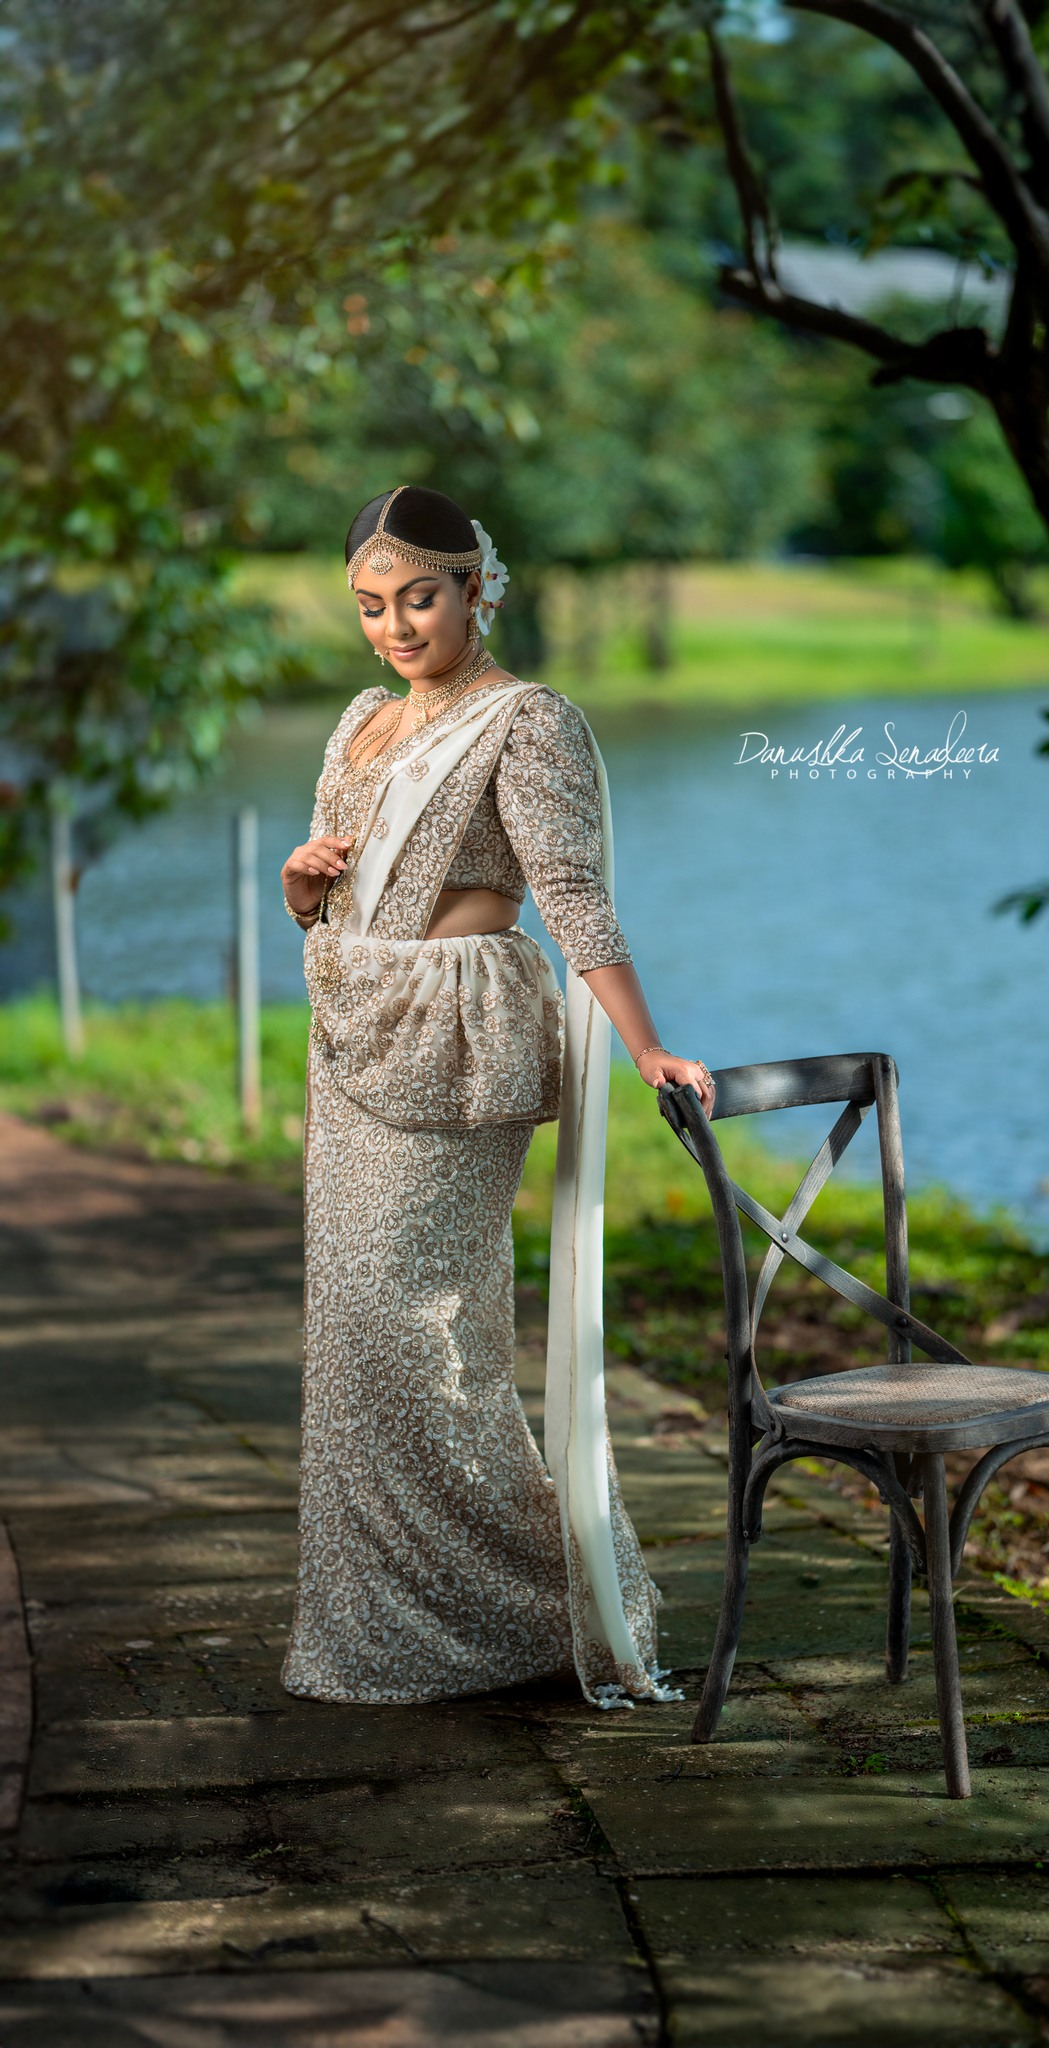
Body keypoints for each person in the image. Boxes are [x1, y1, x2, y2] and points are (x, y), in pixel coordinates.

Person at [278, 484, 715, 1711]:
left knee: (423, 1329)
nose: (395, 627)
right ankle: (384, 1630)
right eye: (371, 606)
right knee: (353, 1337)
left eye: (419, 597)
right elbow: (336, 889)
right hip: (352, 1029)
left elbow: (571, 896)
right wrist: (302, 886)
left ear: (475, 587)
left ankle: (541, 1604)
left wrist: (644, 1045)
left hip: (456, 1037)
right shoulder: (363, 721)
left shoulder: (528, 721)